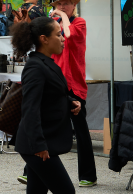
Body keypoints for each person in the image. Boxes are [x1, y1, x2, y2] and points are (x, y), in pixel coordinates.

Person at [13, 16, 81, 194]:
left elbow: (48, 94)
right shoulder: (35, 67)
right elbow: (30, 109)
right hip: (36, 145)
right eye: (58, 34)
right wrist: (39, 145)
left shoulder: (46, 63)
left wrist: (68, 101)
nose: (62, 38)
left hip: (42, 141)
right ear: (44, 39)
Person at [48, 0, 96, 187]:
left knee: (81, 130)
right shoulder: (54, 25)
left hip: (75, 84)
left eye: (66, 3)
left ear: (74, 5)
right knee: (47, 126)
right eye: (59, 4)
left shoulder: (79, 22)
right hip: (57, 82)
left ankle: (88, 176)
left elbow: (68, 33)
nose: (62, 7)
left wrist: (59, 17)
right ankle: (31, 170)